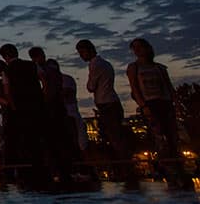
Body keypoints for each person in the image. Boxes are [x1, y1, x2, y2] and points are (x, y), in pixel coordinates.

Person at [126, 38, 181, 183]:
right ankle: (168, 168)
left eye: (140, 47)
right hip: (150, 104)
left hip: (165, 103)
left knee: (172, 136)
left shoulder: (159, 68)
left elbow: (169, 87)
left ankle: (177, 166)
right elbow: (134, 88)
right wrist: (143, 105)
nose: (137, 50)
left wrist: (175, 103)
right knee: (159, 137)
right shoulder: (134, 68)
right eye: (135, 48)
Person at [76, 39, 130, 178]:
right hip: (111, 101)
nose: (81, 56)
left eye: (82, 52)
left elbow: (91, 86)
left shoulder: (96, 66)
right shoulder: (105, 64)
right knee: (116, 135)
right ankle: (123, 168)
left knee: (114, 137)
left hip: (106, 103)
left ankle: (123, 169)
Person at [0, 43, 47, 185]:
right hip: (36, 106)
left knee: (18, 141)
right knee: (36, 139)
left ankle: (18, 172)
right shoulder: (32, 65)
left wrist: (13, 107)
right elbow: (45, 81)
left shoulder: (7, 70)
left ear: (6, 57)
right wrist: (42, 97)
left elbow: (8, 92)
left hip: (19, 108)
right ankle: (40, 169)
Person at [30, 47, 73, 181]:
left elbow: (46, 83)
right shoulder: (53, 69)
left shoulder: (44, 70)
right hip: (56, 105)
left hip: (51, 105)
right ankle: (63, 170)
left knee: (53, 139)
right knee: (60, 138)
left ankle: (57, 170)